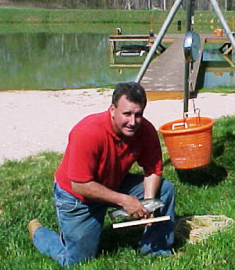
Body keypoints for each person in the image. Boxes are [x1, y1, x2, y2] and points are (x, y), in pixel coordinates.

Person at [27, 82, 175, 267]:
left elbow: (153, 170)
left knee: (165, 189)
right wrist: (125, 201)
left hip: (114, 182)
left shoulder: (145, 130)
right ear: (112, 109)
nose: (133, 121)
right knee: (78, 262)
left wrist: (148, 203)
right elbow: (80, 185)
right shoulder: (88, 132)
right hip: (76, 197)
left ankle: (156, 250)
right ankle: (39, 232)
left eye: (138, 115)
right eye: (127, 114)